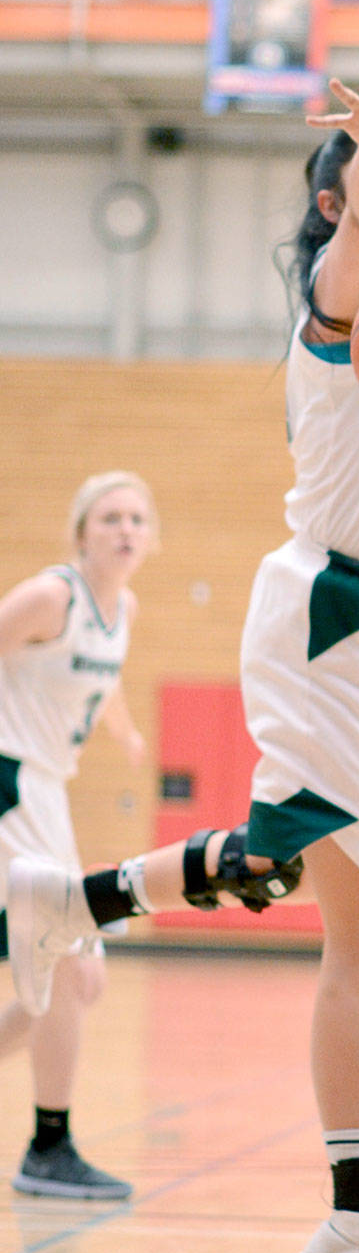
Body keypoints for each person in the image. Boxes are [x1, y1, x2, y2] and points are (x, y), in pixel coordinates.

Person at [9, 63, 359, 1253]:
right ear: (340, 199)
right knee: (328, 902)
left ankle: (72, 901)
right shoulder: (346, 290)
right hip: (340, 613)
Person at [0, 474, 156, 1199]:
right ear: (82, 533)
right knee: (69, 961)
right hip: (10, 779)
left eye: (136, 517)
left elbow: (105, 682)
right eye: (110, 517)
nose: (125, 528)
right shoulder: (50, 597)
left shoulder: (121, 609)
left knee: (60, 981)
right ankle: (49, 1145)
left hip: (46, 790)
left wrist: (123, 730)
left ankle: (50, 1144)